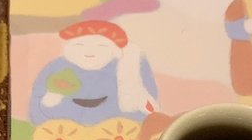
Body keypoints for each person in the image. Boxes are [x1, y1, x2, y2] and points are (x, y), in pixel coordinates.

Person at [29, 20, 158, 126]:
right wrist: (49, 103)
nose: (89, 52)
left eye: (101, 46)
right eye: (80, 45)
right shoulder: (58, 67)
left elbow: (148, 107)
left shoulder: (128, 67)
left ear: (114, 50)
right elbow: (37, 100)